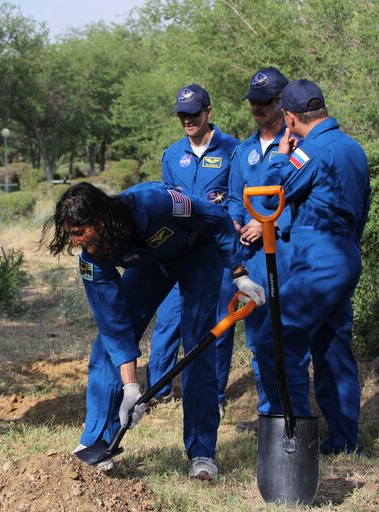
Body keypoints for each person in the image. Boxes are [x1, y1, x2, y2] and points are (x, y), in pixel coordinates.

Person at [44, 182, 265, 479]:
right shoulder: (91, 259)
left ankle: (202, 451)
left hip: (198, 255)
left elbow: (215, 217)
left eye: (79, 232)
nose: (75, 242)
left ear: (100, 221)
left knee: (198, 345)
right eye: (70, 234)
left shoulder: (155, 203)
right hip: (149, 265)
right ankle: (97, 442)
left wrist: (239, 273)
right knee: (104, 350)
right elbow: (114, 326)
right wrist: (131, 387)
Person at [258, 79, 370, 454]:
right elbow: (363, 208)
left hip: (318, 261)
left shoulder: (312, 151)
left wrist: (280, 156)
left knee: (277, 341)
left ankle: (294, 442)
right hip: (346, 253)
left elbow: (272, 194)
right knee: (333, 348)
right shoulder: (352, 148)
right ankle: (342, 442)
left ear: (290, 118)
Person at [146, 84, 239, 416]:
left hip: (217, 250)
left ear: (208, 112)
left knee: (218, 322)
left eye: (193, 114)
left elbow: (238, 198)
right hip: (181, 250)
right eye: (182, 115)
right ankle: (158, 389)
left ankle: (212, 391)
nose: (187, 120)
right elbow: (167, 199)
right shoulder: (172, 155)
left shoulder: (233, 150)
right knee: (169, 319)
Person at [227, 67, 304, 433]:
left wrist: (269, 222)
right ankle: (269, 414)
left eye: (266, 101)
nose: (258, 107)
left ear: (282, 101)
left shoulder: (297, 146)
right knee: (258, 339)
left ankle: (297, 416)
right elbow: (232, 198)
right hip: (252, 260)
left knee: (288, 340)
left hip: (287, 256)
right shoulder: (243, 150)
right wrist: (238, 224)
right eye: (253, 101)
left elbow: (304, 200)